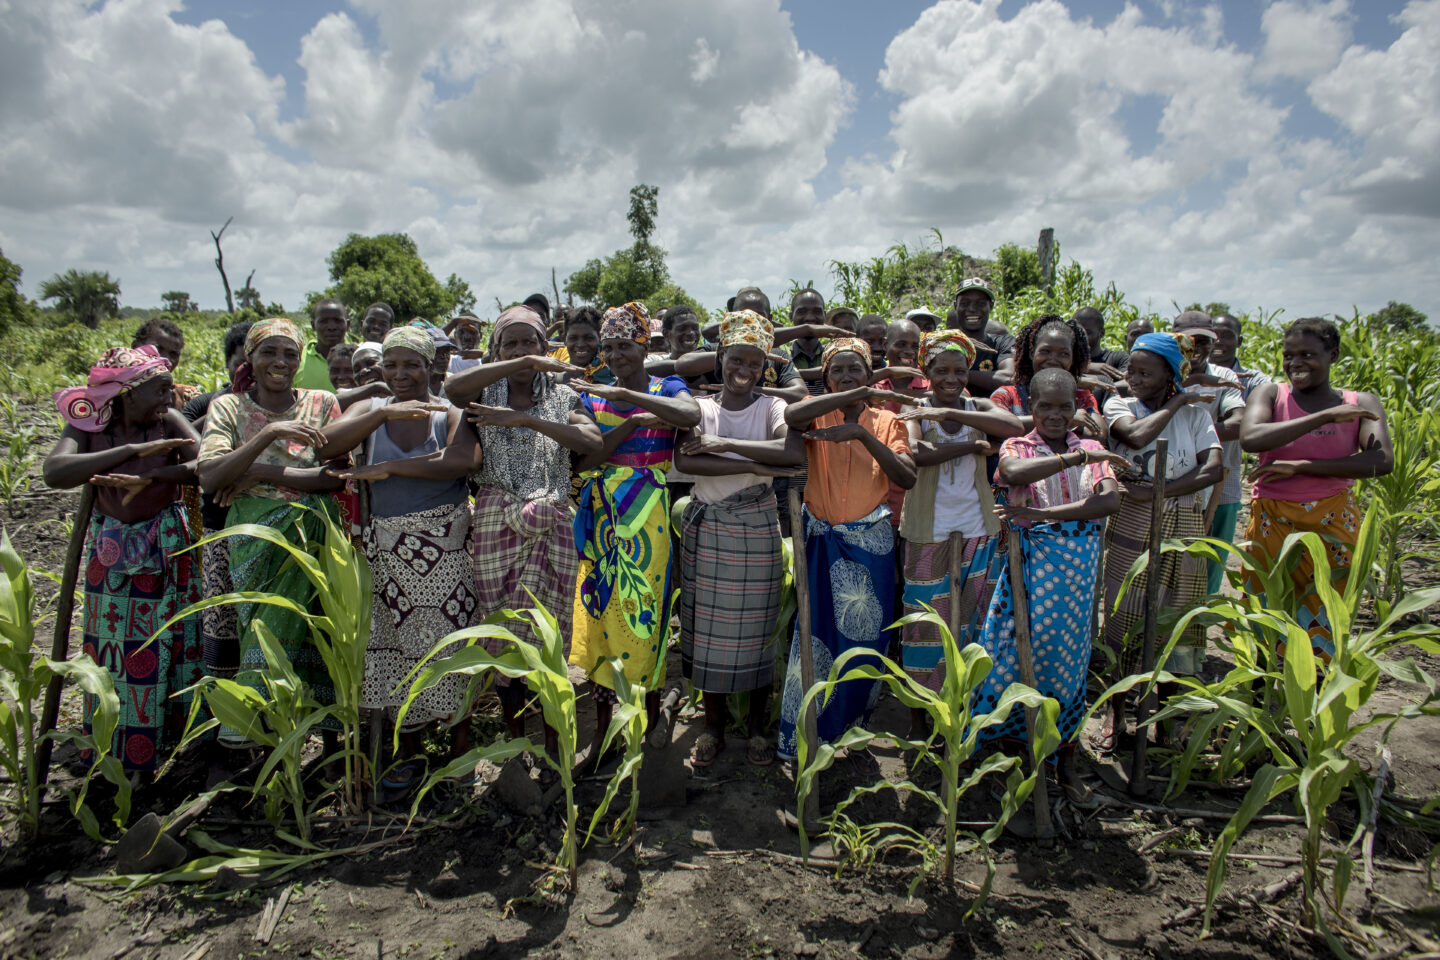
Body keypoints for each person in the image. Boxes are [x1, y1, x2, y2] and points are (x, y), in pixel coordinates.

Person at [317, 326, 477, 790]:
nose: (401, 374)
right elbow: (325, 445)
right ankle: (410, 751)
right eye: (392, 365)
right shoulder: (370, 409)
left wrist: (388, 467)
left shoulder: (450, 411)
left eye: (412, 364)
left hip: (443, 550)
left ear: (431, 367)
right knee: (393, 652)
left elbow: (462, 461)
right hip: (383, 551)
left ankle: (459, 752)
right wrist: (383, 412)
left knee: (452, 646)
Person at [443, 306, 599, 756]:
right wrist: (522, 364)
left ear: (547, 347)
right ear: (496, 351)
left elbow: (592, 444)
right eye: (509, 343)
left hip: (551, 520)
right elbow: (452, 388)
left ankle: (552, 742)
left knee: (550, 633)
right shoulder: (482, 391)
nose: (520, 350)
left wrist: (528, 419)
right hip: (497, 521)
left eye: (529, 343)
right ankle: (514, 742)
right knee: (502, 632)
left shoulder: (563, 394)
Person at [45, 345, 203, 777]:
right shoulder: (89, 427)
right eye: (160, 390)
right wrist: (129, 453)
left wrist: (151, 476)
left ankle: (171, 745)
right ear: (127, 394)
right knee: (113, 653)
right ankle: (118, 754)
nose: (169, 399)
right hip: (111, 554)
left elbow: (206, 463)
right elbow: (56, 471)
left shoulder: (168, 419)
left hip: (167, 547)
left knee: (172, 644)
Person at [973, 368, 1125, 802]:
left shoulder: (1095, 446)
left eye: (1064, 406)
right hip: (1029, 574)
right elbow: (1015, 473)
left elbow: (1109, 500)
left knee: (1068, 667)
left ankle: (1064, 762)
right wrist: (1075, 462)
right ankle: (1005, 753)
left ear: (1077, 407)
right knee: (1014, 658)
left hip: (1076, 579)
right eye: (1045, 406)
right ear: (1031, 408)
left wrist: (1044, 517)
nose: (1056, 415)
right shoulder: (1019, 445)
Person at [196, 319, 345, 745]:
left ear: (301, 361)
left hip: (314, 530)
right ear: (250, 358)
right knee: (260, 624)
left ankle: (317, 738)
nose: (280, 362)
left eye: (290, 354)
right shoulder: (229, 407)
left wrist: (255, 470)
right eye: (269, 353)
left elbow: (335, 478)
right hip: (252, 534)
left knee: (317, 629)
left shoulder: (322, 403)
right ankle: (257, 734)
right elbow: (211, 476)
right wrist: (269, 433)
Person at [569, 302, 701, 769]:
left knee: (645, 614)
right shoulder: (593, 396)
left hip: (650, 520)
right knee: (603, 618)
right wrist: (631, 422)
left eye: (625, 345)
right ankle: (606, 735)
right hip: (603, 517)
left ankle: (641, 728)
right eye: (609, 346)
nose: (615, 354)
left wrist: (640, 400)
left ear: (645, 345)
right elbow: (582, 461)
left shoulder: (669, 388)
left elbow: (687, 415)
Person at [674, 311, 804, 767]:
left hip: (756, 532)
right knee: (707, 634)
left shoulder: (773, 408)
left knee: (757, 632)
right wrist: (757, 466)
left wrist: (718, 448)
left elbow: (790, 452)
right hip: (710, 531)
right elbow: (687, 464)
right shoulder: (699, 408)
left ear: (766, 365)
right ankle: (712, 727)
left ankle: (754, 729)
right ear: (720, 357)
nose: (743, 370)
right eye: (735, 359)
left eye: (754, 361)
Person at [776, 338, 917, 761]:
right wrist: (841, 398)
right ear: (825, 377)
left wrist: (859, 433)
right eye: (837, 370)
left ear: (871, 374)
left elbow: (906, 476)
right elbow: (790, 414)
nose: (847, 376)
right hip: (819, 539)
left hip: (868, 542)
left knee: (864, 638)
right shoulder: (817, 415)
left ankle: (850, 730)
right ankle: (806, 735)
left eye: (856, 369)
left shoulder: (890, 421)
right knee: (815, 635)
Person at [1096, 332, 1222, 753]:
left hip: (1183, 522)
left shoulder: (1197, 418)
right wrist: (1177, 402)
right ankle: (1117, 717)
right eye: (1131, 369)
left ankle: (1166, 721)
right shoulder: (1120, 405)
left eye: (1145, 372)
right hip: (1131, 520)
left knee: (1177, 622)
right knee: (1122, 617)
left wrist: (1162, 490)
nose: (1133, 377)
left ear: (1170, 373)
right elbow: (1133, 436)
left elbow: (1214, 469)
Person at [895, 331, 1023, 738]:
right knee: (923, 628)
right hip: (925, 533)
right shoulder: (913, 408)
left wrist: (959, 418)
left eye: (959, 370)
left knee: (971, 626)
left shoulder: (977, 405)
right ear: (925, 371)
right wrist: (973, 446)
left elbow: (1013, 424)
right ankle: (919, 718)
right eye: (941, 370)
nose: (951, 378)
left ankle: (961, 718)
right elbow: (919, 455)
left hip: (977, 529)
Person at [1240, 317, 1392, 656]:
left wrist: (1300, 466)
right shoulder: (1271, 394)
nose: (1295, 363)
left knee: (1325, 604)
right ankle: (1262, 690)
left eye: (1307, 354)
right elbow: (1251, 438)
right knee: (1267, 606)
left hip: (1332, 521)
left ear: (1333, 355)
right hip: (1272, 519)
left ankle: (1314, 691)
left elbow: (1380, 461)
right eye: (1288, 355)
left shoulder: (1361, 402)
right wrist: (1323, 417)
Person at [180, 321, 252, 693]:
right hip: (221, 525)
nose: (249, 372)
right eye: (242, 363)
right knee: (222, 620)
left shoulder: (289, 405)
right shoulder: (208, 403)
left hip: (265, 525)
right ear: (228, 363)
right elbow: (197, 455)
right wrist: (231, 402)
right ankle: (225, 716)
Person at [1171, 313, 1246, 595]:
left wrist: (1195, 435)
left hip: (1219, 485)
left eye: (1203, 341)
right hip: (1172, 487)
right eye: (1187, 340)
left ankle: (1197, 631)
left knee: (1209, 566)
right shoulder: (1160, 371)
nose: (1195, 347)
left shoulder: (1224, 377)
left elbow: (1238, 423)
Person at [989, 313, 1108, 443]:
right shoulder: (1007, 395)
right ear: (1031, 352)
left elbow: (1098, 435)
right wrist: (1067, 419)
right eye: (1045, 351)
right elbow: (995, 428)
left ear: (1073, 359)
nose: (1053, 360)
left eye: (1063, 354)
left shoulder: (1082, 397)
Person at [951, 278, 1014, 394]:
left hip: (992, 411)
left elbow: (1009, 378)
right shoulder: (944, 343)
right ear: (956, 306)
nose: (972, 309)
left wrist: (957, 373)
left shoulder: (1002, 343)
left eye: (980, 303)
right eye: (965, 303)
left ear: (991, 306)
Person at [1211, 313, 1273, 402]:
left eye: (1227, 336)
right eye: (1213, 335)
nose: (1218, 341)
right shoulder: (1191, 376)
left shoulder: (1255, 381)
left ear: (1239, 342)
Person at [294, 299, 350, 391]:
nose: (331, 327)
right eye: (324, 321)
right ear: (313, 325)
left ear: (348, 325)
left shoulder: (358, 357)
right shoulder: (297, 358)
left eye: (338, 321)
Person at [1072, 307, 1129, 381]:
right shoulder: (1065, 357)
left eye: (1087, 332)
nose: (1079, 336)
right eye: (1076, 331)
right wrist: (1086, 368)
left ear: (1101, 333)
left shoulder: (1118, 359)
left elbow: (1128, 384)